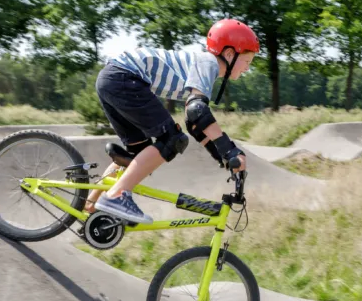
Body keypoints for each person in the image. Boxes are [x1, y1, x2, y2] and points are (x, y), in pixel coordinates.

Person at [86, 19, 259, 224]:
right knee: (173, 140)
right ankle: (117, 196)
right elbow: (197, 111)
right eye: (247, 62)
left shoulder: (200, 64)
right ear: (230, 54)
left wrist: (220, 156)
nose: (248, 68)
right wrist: (230, 150)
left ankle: (89, 205)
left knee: (140, 156)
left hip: (111, 78)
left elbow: (194, 125)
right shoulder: (209, 62)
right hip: (124, 78)